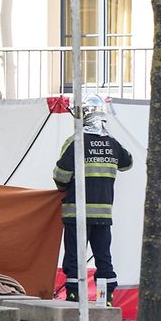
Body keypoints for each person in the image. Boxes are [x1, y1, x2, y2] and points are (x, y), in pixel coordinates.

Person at [52, 96, 132, 305]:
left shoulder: (75, 142)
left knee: (74, 259)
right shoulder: (111, 143)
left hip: (76, 213)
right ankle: (105, 299)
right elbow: (127, 163)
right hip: (103, 215)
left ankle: (74, 300)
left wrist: (62, 187)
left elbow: (61, 174)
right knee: (103, 258)